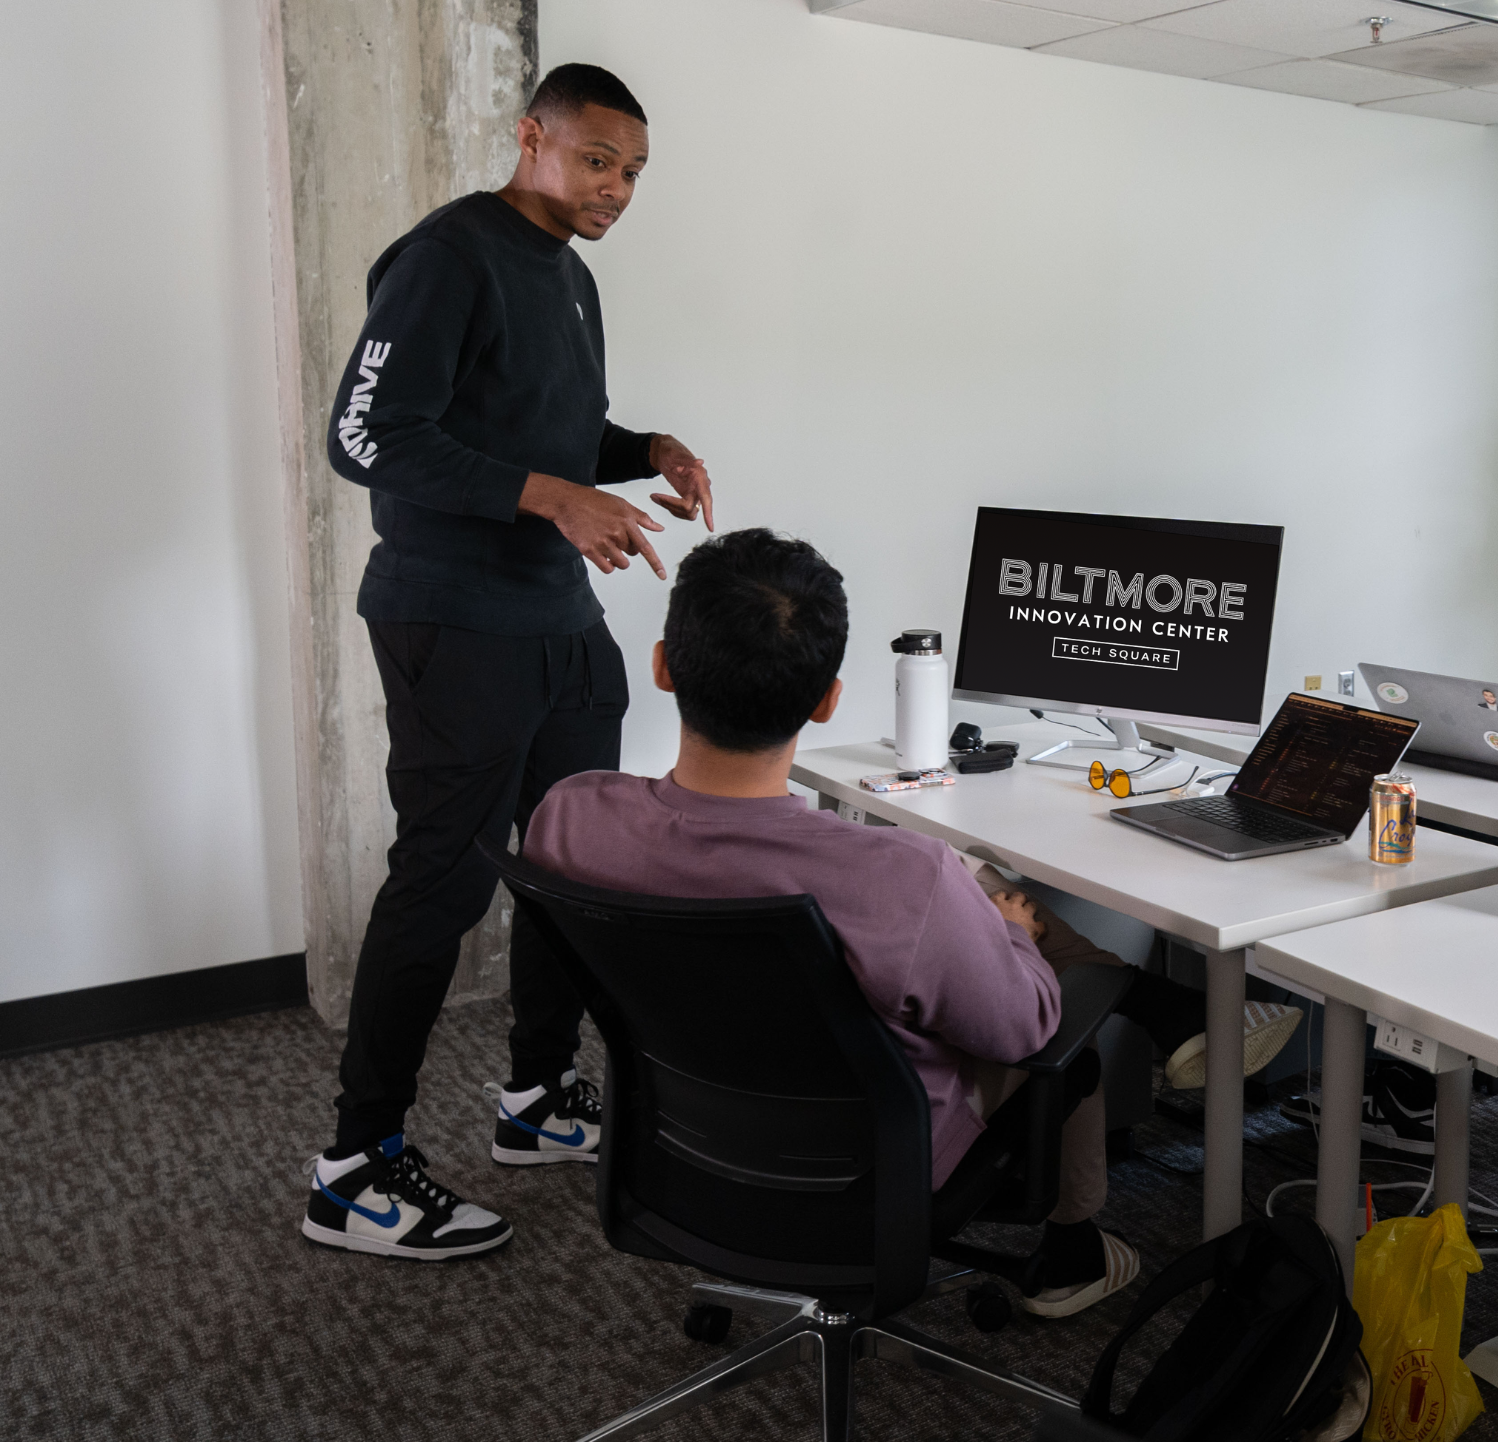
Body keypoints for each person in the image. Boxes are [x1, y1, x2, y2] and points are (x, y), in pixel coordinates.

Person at [520, 529, 1299, 1317]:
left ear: (661, 666)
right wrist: (1014, 936)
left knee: (964, 888)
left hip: (682, 1140)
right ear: (828, 698)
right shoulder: (900, 878)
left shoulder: (569, 817)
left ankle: (1169, 1013)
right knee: (1065, 1009)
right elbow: (1026, 1030)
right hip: (878, 1166)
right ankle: (1072, 1254)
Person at [302, 64, 718, 1263]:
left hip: (553, 617)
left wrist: (642, 448)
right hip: (452, 617)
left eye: (633, 171)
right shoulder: (446, 256)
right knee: (443, 878)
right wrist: (550, 496)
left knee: (566, 856)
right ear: (531, 138)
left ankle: (538, 1098)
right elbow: (368, 434)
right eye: (597, 160)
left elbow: (536, 427)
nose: (617, 189)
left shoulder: (571, 278)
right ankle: (353, 1167)